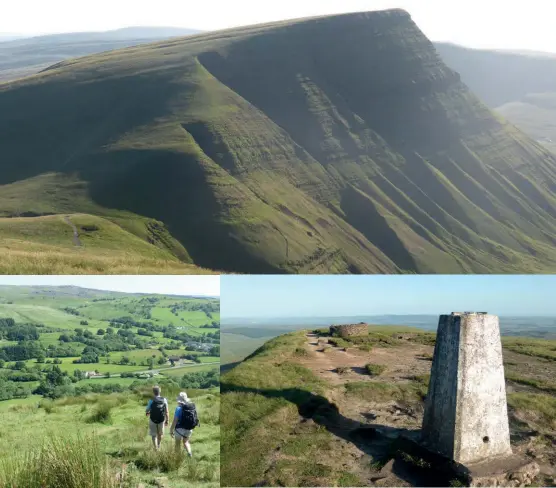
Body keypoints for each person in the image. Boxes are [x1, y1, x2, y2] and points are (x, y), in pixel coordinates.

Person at [170, 391, 200, 457]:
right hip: (189, 428)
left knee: (177, 444)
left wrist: (171, 430)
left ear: (179, 401)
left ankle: (177, 458)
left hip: (179, 429)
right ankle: (189, 453)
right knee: (186, 441)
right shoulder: (191, 407)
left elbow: (175, 420)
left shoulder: (178, 408)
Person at [145, 385, 169, 450]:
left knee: (153, 435)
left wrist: (148, 412)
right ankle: (158, 445)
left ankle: (155, 448)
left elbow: (147, 410)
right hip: (161, 420)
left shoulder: (151, 400)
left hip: (152, 420)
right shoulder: (164, 400)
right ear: (160, 391)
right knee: (160, 434)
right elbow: (166, 412)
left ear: (153, 392)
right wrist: (167, 420)